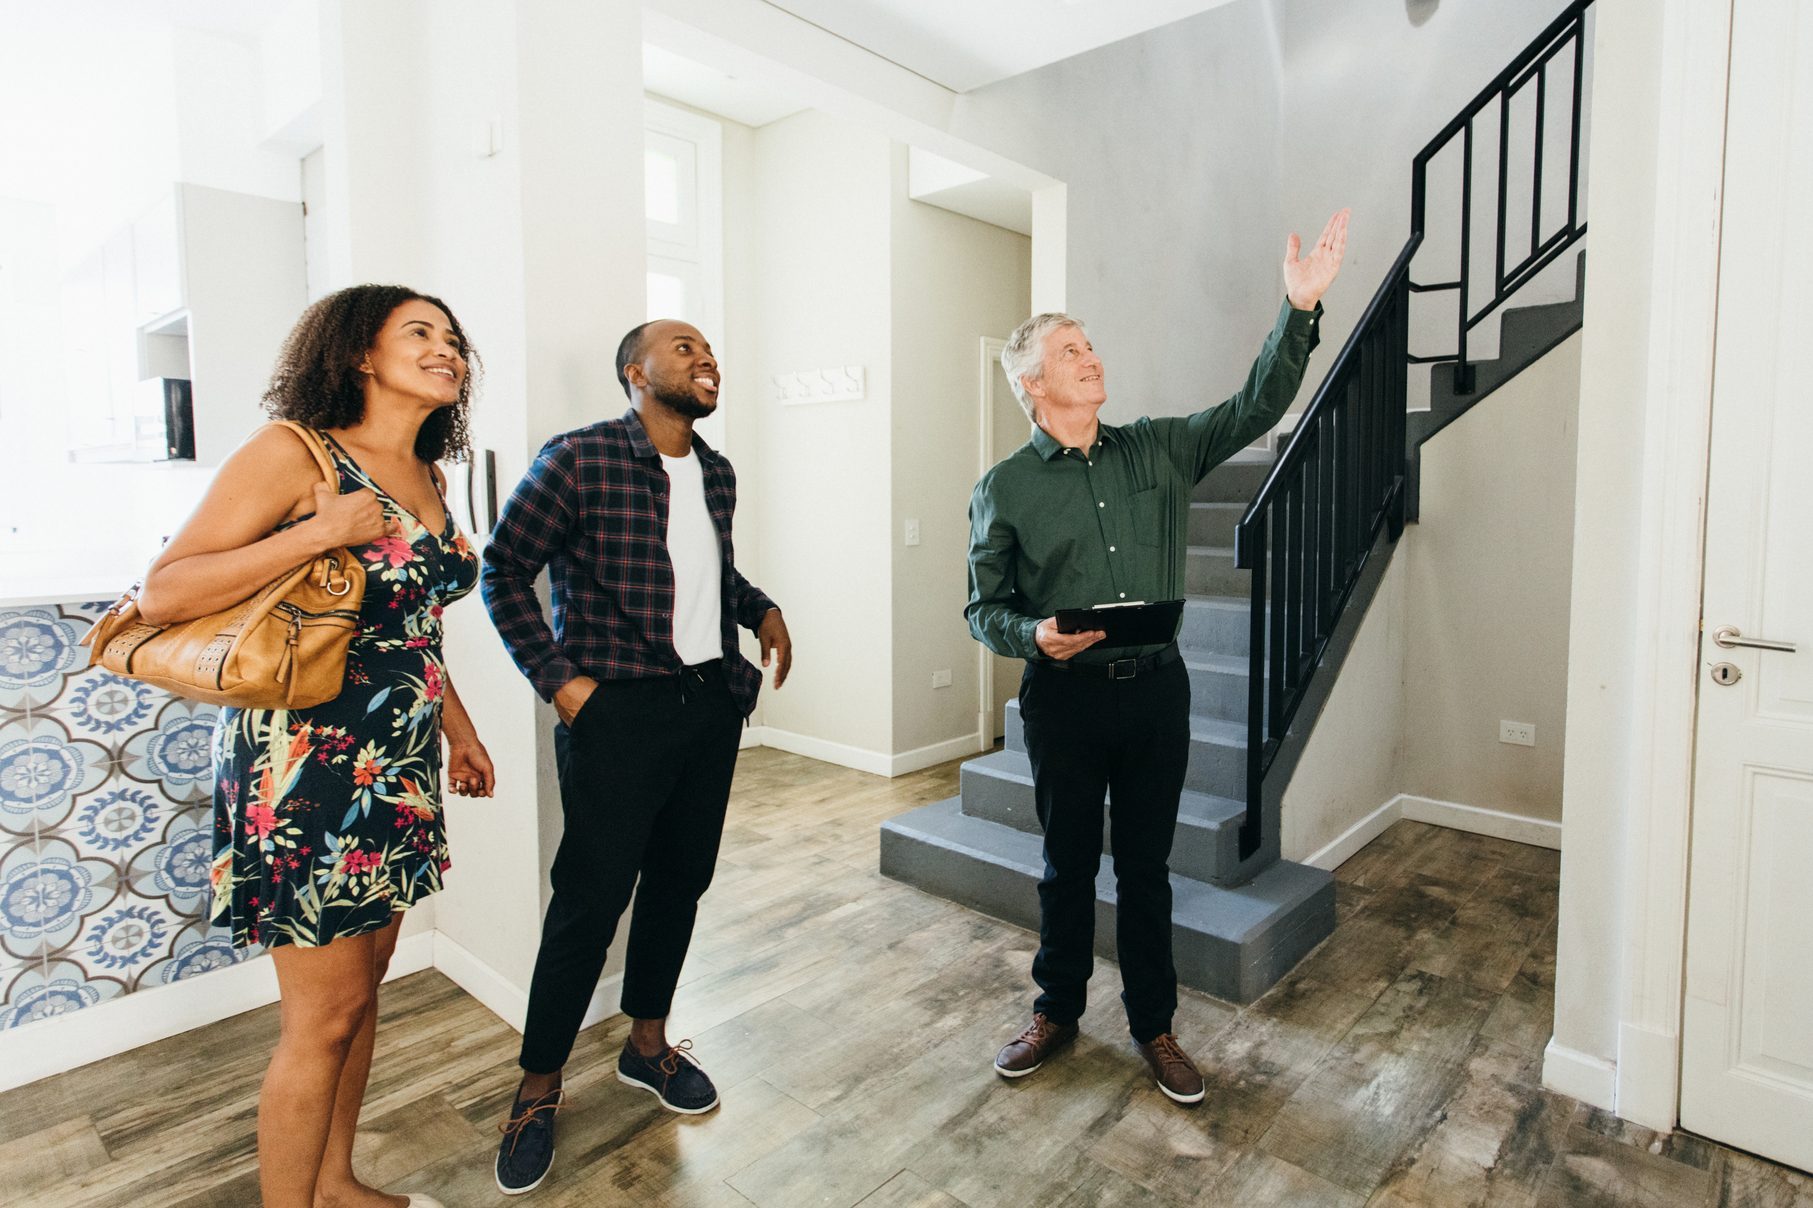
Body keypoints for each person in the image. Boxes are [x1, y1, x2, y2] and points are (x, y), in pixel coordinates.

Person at [967, 210, 1350, 1105]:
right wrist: (1034, 637)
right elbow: (982, 607)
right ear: (1032, 382)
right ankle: (1055, 1012)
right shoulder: (1005, 488)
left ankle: (1155, 1028)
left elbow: (1256, 403)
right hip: (1062, 698)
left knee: (1144, 869)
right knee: (1066, 865)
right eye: (1070, 350)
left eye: (1091, 345)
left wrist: (1298, 312)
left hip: (1154, 697)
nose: (1091, 357)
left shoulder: (1160, 449)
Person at [137, 284, 494, 1208]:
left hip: (398, 767)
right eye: (419, 332)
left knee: (364, 994)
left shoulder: (432, 478)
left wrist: (458, 730)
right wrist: (327, 530)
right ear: (359, 355)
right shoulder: (295, 455)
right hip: (305, 770)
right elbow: (166, 591)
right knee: (323, 1018)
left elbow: (409, 627)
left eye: (452, 338)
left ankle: (334, 1183)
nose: (445, 348)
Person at [481, 318, 791, 1195]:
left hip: (707, 708)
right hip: (615, 710)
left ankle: (645, 1047)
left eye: (710, 349)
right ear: (635, 372)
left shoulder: (717, 472)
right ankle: (538, 1089)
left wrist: (758, 607)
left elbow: (707, 576)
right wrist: (559, 682)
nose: (706, 358)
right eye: (684, 347)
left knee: (680, 883)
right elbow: (500, 570)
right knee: (588, 900)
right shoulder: (579, 459)